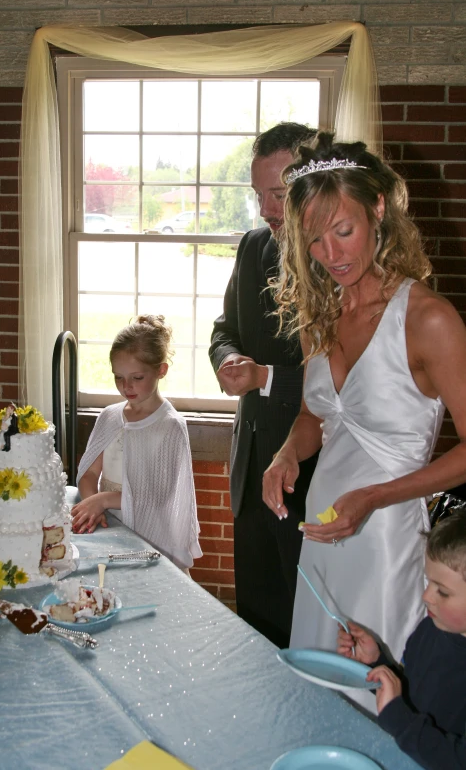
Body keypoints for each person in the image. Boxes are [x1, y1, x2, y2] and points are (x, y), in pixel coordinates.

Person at [262, 132, 466, 674]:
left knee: (376, 687)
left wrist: (373, 497)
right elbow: (315, 417)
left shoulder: (429, 320)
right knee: (318, 675)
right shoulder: (319, 315)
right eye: (314, 240)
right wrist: (287, 454)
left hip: (385, 534)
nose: (331, 255)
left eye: (343, 231)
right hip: (324, 526)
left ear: (378, 209)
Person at [209, 122, 318, 648]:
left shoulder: (335, 261)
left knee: (306, 620)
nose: (265, 209)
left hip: (310, 474)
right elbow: (223, 330)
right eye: (258, 195)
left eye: (276, 194)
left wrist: (267, 377)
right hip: (251, 462)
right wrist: (228, 358)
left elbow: (347, 384)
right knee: (253, 616)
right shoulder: (253, 248)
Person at [72, 315, 202, 572]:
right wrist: (93, 507)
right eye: (118, 377)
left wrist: (103, 500)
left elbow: (159, 496)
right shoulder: (109, 416)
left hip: (149, 534)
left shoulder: (170, 426)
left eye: (137, 378)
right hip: (108, 524)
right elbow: (88, 473)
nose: (126, 386)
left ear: (161, 371)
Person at [338, 512, 466, 770]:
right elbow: (416, 694)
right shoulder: (430, 628)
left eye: (442, 591)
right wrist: (377, 664)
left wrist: (399, 720)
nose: (426, 596)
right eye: (429, 581)